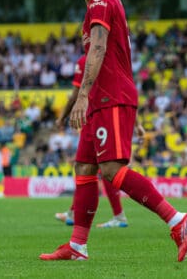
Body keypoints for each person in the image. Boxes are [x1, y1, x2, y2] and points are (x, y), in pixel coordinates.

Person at [40, 0, 187, 262]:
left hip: (108, 97)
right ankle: (77, 245)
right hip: (103, 99)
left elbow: (98, 49)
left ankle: (177, 220)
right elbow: (120, 58)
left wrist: (81, 96)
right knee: (84, 167)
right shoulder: (99, 4)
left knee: (111, 169)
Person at [54, 54, 144, 228]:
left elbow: (76, 94)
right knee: (87, 167)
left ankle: (170, 217)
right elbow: (125, 92)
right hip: (103, 114)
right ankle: (76, 215)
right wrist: (138, 124)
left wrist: (62, 117)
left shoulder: (86, 61)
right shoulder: (115, 60)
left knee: (101, 169)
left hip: (98, 116)